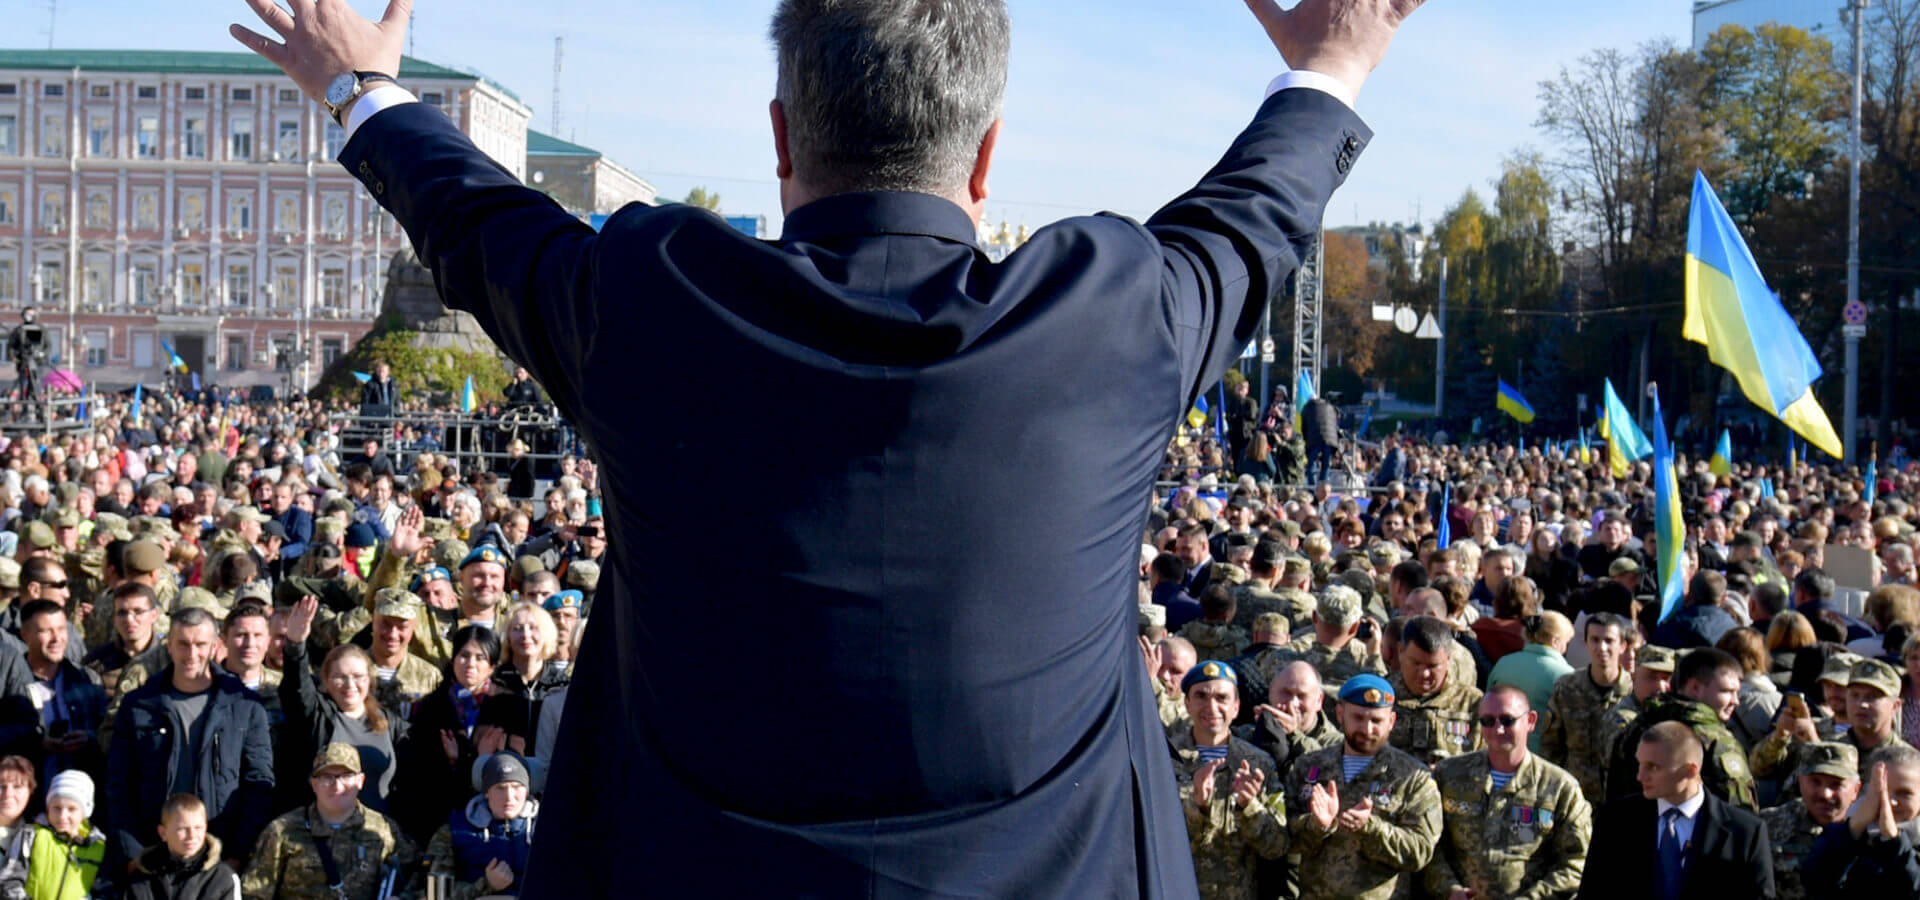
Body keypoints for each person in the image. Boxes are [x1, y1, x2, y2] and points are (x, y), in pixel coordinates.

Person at [231, 0, 1422, 889]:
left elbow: (479, 219)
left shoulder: (657, 307)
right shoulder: (1106, 321)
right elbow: (1255, 217)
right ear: (987, 153)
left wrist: (361, 90)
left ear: (781, 137)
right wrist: (1333, 63)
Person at [105, 607, 275, 872]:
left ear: (215, 646)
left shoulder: (244, 706)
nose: (192, 654)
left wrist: (238, 853)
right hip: (153, 854)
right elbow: (119, 784)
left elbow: (258, 786)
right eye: (183, 644)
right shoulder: (138, 705)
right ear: (169, 645)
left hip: (220, 855)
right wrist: (133, 853)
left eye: (200, 644)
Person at [1422, 686, 1593, 899]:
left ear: (1530, 721)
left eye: (1507, 720)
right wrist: (1449, 889)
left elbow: (1576, 862)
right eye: (1488, 721)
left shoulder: (1559, 788)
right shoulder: (1450, 775)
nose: (1498, 729)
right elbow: (1429, 843)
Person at [1281, 673, 1442, 899]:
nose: (1367, 729)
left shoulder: (1413, 778)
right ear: (1340, 714)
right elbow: (1282, 837)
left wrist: (1371, 828)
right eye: (1358, 718)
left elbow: (1420, 851)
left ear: (1392, 721)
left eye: (1376, 721)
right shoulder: (1309, 767)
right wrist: (1317, 825)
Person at [1578, 722, 1773, 899]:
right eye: (1640, 764)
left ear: (1690, 770)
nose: (1640, 776)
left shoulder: (1745, 833)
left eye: (1653, 767)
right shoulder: (1616, 820)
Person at [278, 597, 410, 816]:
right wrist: (295, 645)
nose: (350, 685)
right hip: (324, 833)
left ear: (369, 680)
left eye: (358, 677)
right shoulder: (316, 716)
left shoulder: (389, 723)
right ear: (326, 681)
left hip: (374, 836)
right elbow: (297, 689)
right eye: (340, 677)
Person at [1170, 660, 1286, 900]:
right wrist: (1197, 805)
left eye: (1222, 698)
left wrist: (1249, 807)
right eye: (1201, 696)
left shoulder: (1258, 764)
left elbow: (1277, 847)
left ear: (1236, 707)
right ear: (1187, 704)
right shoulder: (1164, 758)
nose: (1211, 707)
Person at [242, 743, 419, 900]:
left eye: (346, 776)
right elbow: (254, 892)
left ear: (360, 781)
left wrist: (402, 897)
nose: (337, 786)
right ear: (313, 783)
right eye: (327, 777)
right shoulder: (281, 831)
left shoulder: (383, 829)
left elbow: (419, 873)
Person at [392, 626, 510, 844]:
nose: (470, 664)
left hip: (492, 818)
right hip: (437, 815)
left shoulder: (508, 707)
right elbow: (419, 769)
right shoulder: (430, 707)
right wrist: (457, 761)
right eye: (464, 655)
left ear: (492, 666)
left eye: (480, 657)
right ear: (453, 659)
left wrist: (472, 760)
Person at [1605, 647, 1759, 811]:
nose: (1735, 701)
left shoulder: (1637, 727)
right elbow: (1741, 816)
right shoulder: (1717, 741)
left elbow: (1613, 800)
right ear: (1695, 688)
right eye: (1727, 691)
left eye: (1737, 693)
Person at [419, 752, 538, 900]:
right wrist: (485, 885)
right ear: (487, 792)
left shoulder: (548, 829)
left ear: (527, 791)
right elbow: (433, 893)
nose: (509, 796)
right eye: (500, 788)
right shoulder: (454, 831)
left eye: (516, 787)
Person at [1543, 612, 1633, 804]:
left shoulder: (1633, 692)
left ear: (1622, 646)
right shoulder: (1567, 688)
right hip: (1576, 796)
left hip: (1621, 799)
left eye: (1609, 641)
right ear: (1586, 643)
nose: (1602, 647)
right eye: (1595, 640)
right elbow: (1551, 746)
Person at [1803, 746, 1920, 894]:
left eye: (1904, 793)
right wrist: (1854, 829)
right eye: (1881, 791)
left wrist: (1894, 841)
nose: (1890, 802)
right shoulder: (1840, 835)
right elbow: (1816, 884)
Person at [1760, 741, 1861, 900]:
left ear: (1856, 790)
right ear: (1800, 782)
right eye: (1815, 782)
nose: (1825, 794)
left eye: (1836, 784)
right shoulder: (1768, 825)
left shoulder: (1868, 833)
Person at [1387, 616, 1483, 766]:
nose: (1424, 673)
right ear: (1400, 651)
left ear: (1448, 659)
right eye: (1416, 663)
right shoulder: (1381, 696)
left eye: (1432, 666)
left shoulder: (1472, 702)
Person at [1487, 611, 1576, 755]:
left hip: (1498, 750)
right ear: (1555, 641)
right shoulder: (1567, 675)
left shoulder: (1503, 663)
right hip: (1542, 758)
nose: (1566, 648)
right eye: (1566, 642)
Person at [123, 794, 241, 900]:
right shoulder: (143, 875)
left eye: (198, 828)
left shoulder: (222, 878)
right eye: (182, 829)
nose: (192, 835)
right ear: (163, 833)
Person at [1274, 585, 1386, 691]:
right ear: (1354, 627)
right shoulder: (1365, 663)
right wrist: (1374, 655)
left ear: (1314, 618)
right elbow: (1380, 694)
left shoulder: (1285, 659)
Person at [20, 770, 105, 900]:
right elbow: (11, 878)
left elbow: (104, 888)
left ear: (85, 811)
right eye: (56, 808)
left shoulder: (97, 847)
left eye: (71, 809)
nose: (62, 816)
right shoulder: (32, 835)